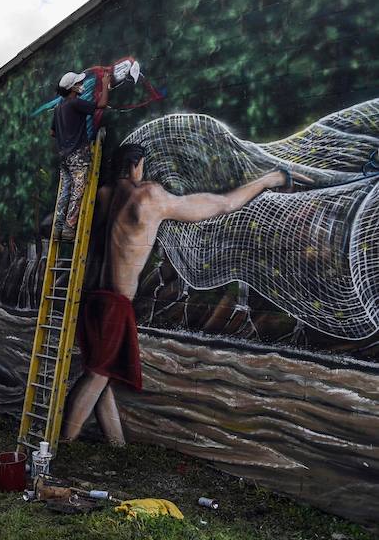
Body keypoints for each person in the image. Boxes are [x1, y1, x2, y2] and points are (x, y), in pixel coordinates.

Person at [61, 143, 298, 445]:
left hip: (92, 299)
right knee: (97, 375)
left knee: (101, 376)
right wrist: (268, 180)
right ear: (136, 165)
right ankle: (64, 445)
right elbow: (222, 204)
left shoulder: (105, 194)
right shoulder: (147, 196)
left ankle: (117, 447)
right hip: (115, 304)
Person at [51, 69, 111, 240]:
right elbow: (102, 105)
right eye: (78, 84)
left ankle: (57, 229)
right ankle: (69, 228)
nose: (81, 85)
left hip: (64, 156)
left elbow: (52, 132)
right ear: (72, 89)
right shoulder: (75, 103)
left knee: (65, 190)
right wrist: (106, 85)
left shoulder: (58, 107)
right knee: (78, 190)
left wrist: (67, 132)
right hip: (78, 155)